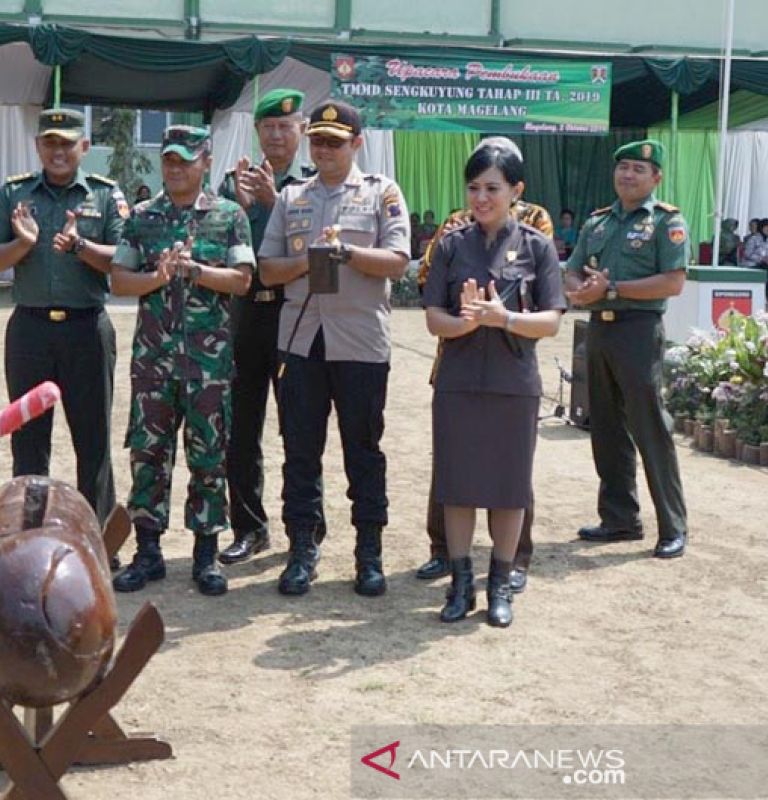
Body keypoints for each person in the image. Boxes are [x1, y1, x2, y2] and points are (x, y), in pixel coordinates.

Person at [259, 101, 411, 598]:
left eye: (335, 141)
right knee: (300, 450)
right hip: (301, 341)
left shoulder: (381, 193)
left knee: (362, 450)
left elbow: (397, 261)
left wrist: (348, 253)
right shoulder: (291, 197)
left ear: (356, 144)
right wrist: (307, 260)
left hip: (360, 343)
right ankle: (302, 547)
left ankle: (369, 552)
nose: (323, 149)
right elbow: (266, 269)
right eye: (318, 140)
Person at [421, 141, 566, 628]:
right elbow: (434, 318)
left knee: (508, 489)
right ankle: (460, 584)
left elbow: (550, 321)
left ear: (516, 191)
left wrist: (503, 318)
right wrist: (464, 324)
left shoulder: (537, 246)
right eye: (474, 187)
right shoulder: (450, 244)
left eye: (493, 188)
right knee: (457, 486)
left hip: (513, 384)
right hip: (459, 382)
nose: (481, 197)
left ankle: (500, 585)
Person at [109, 125, 254, 597]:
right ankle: (147, 552)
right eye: (169, 159)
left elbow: (241, 280)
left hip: (207, 366)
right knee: (147, 456)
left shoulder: (228, 216)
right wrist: (159, 275)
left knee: (208, 457)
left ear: (206, 162)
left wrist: (195, 271)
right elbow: (119, 281)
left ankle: (206, 554)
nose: (175, 168)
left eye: (185, 160)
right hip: (154, 362)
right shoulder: (142, 217)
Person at [0, 108, 127, 540]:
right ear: (38, 146)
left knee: (93, 440)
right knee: (28, 439)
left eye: (67, 143)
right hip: (30, 330)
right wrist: (23, 243)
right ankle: (29, 536)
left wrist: (80, 246)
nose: (58, 151)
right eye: (50, 143)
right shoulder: (14, 194)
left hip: (87, 329)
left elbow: (124, 260)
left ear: (84, 147)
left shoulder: (104, 194)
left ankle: (99, 540)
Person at [565, 139, 689, 560]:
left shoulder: (665, 222)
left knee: (650, 426)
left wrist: (613, 288)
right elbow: (573, 269)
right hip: (599, 329)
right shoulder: (597, 223)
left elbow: (672, 281)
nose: (628, 175)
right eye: (623, 168)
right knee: (606, 428)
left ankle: (672, 526)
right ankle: (619, 519)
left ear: (656, 177)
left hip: (639, 331)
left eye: (638, 169)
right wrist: (579, 292)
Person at [215, 87, 316, 566]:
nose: (276, 135)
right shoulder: (233, 182)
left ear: (301, 131)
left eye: (285, 126)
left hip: (295, 311)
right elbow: (213, 246)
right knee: (241, 426)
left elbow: (320, 255)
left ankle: (307, 524)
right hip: (246, 314)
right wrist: (235, 208)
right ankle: (249, 527)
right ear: (257, 131)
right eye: (268, 127)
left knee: (301, 425)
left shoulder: (315, 184)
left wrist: (278, 204)